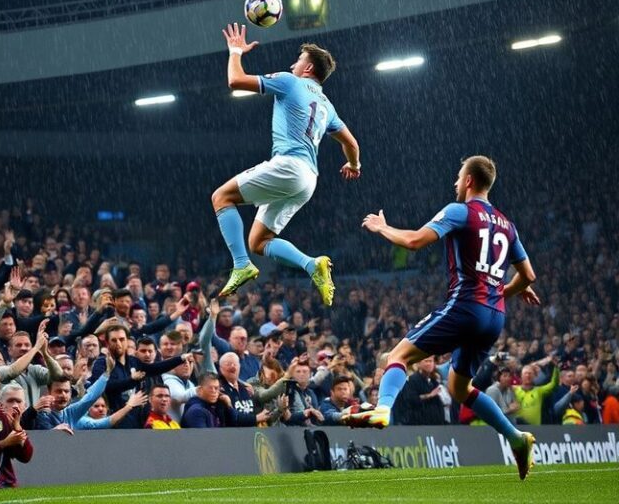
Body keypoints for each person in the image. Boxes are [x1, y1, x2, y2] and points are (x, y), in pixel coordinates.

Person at [359, 155, 540, 480]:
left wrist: (382, 227)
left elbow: (414, 241)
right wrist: (503, 292)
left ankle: (382, 408)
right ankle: (516, 438)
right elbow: (528, 275)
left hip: (465, 306)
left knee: (398, 355)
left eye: (458, 177)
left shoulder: (460, 211)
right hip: (494, 316)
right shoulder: (507, 225)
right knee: (459, 387)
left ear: (469, 180)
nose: (456, 183)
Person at [213, 24, 361, 305]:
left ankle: (240, 264)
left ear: (308, 69)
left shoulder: (290, 81)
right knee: (259, 241)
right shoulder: (327, 105)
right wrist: (353, 164)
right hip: (308, 179)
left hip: (288, 166)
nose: (293, 63)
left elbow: (235, 80)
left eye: (299, 60)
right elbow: (352, 144)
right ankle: (311, 265)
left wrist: (235, 51)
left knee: (221, 197)